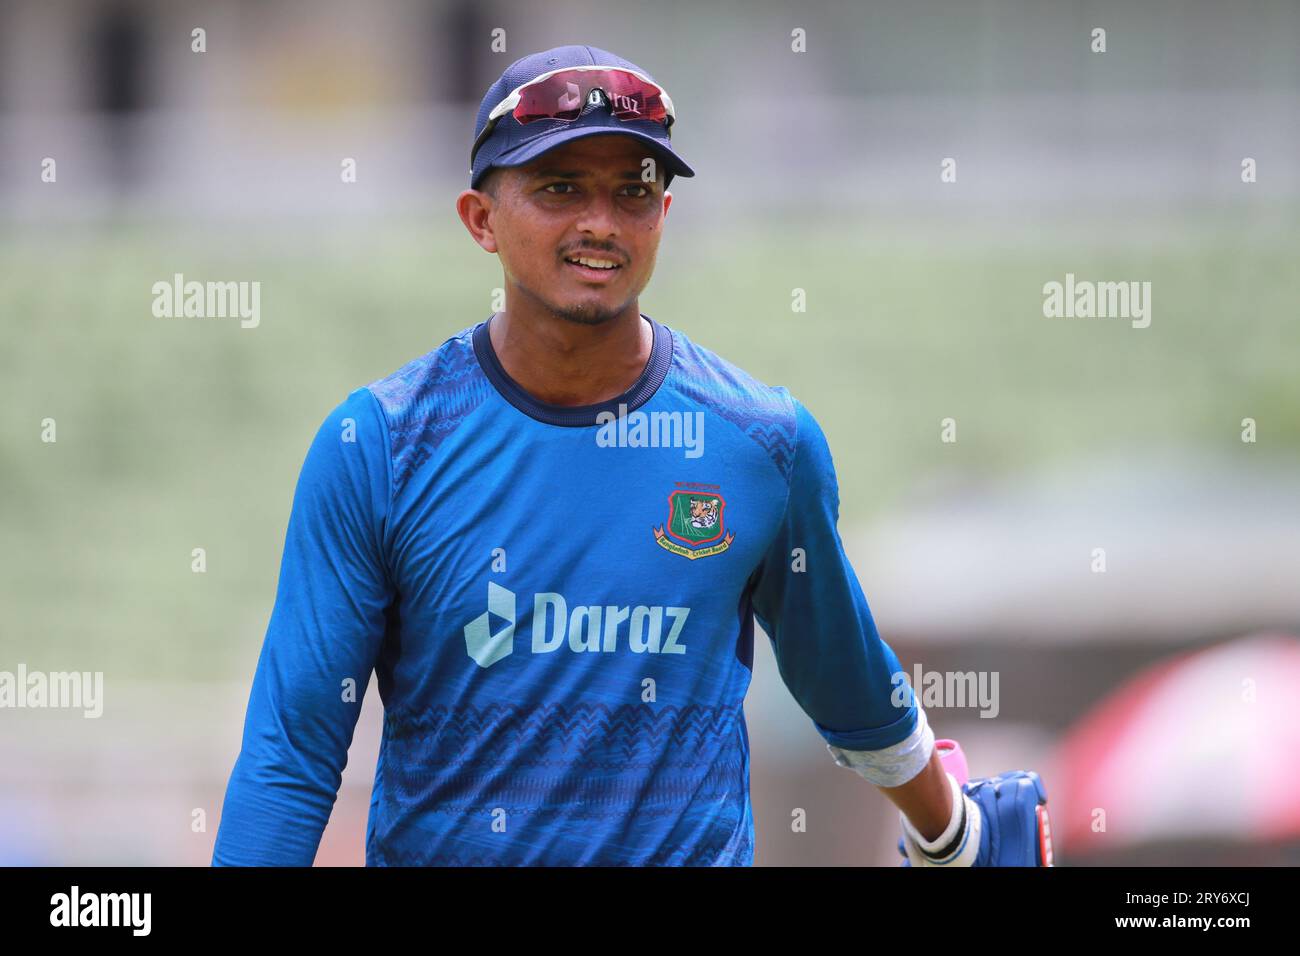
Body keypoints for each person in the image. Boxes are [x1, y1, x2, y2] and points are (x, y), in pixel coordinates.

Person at [212, 44, 1049, 867]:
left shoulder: (761, 442)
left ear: (664, 216)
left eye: (633, 191)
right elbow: (293, 754)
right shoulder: (378, 447)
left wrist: (953, 835)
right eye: (559, 187)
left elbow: (846, 680)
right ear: (481, 221)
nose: (601, 223)